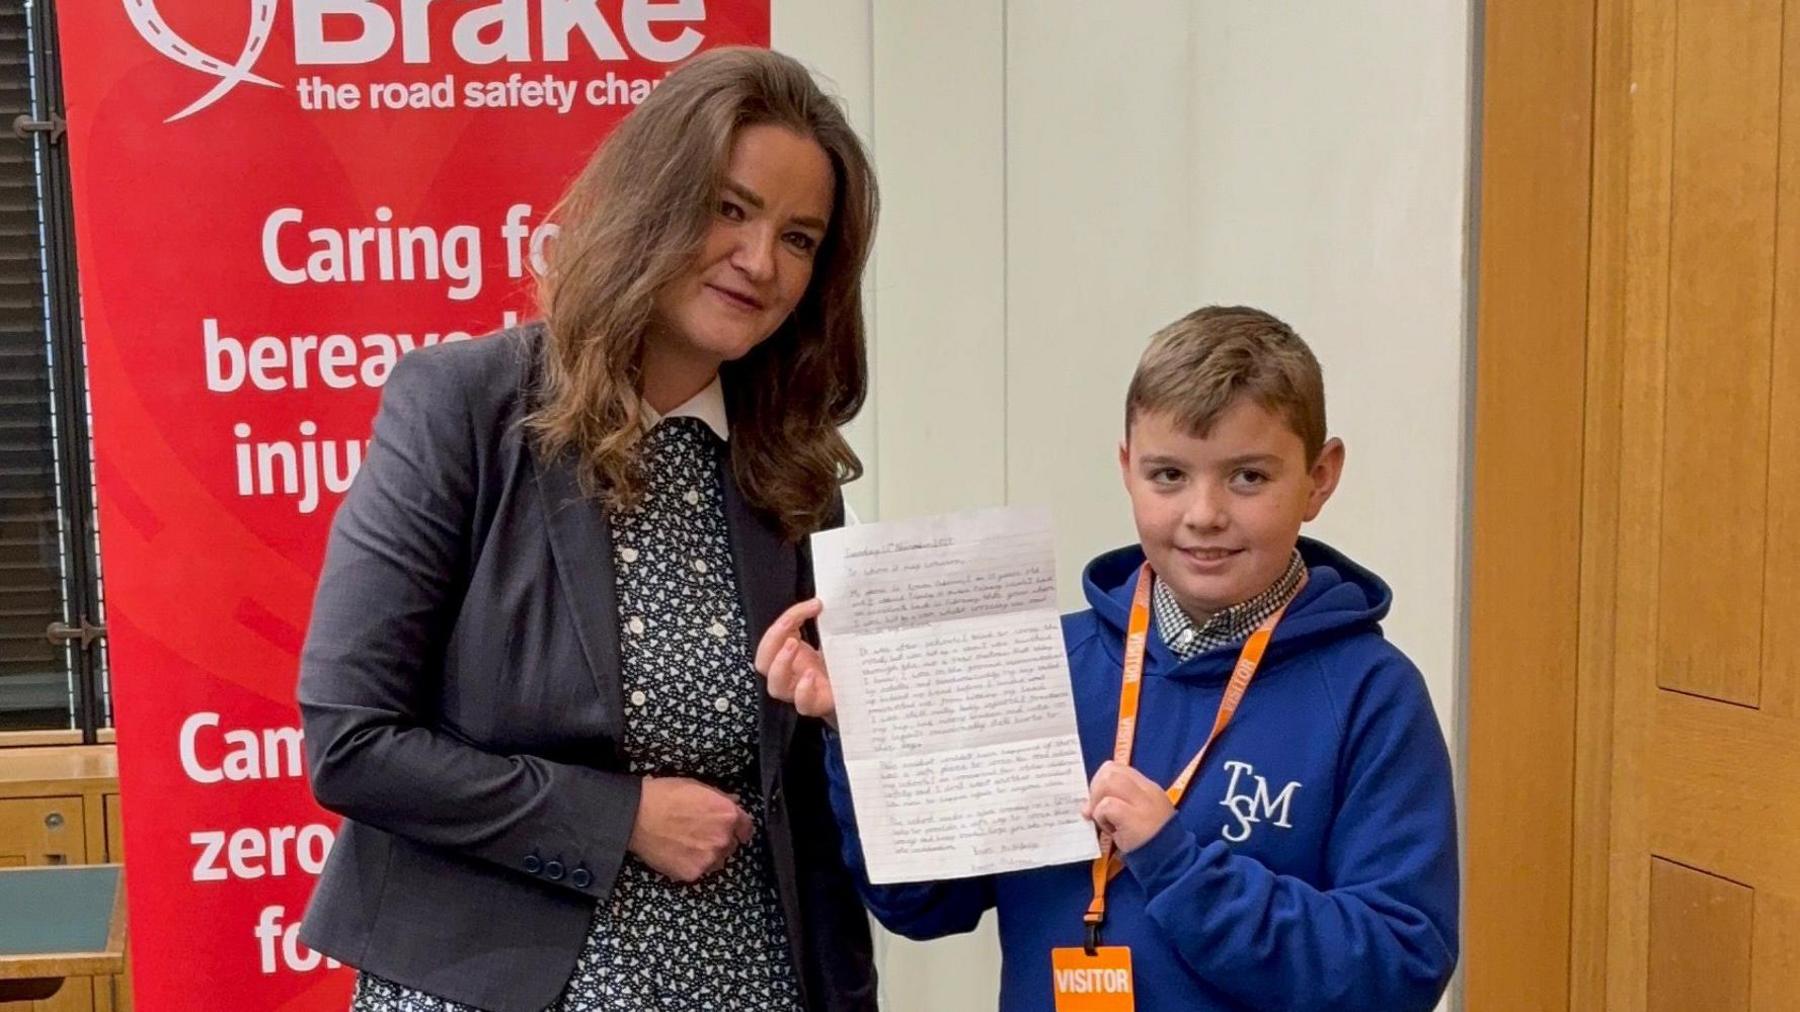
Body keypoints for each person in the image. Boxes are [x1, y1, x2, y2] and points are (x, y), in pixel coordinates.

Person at [296, 46, 880, 1012]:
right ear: (653, 201)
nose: (760, 260)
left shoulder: (794, 470)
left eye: (800, 237)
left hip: (747, 981)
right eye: (730, 209)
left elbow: (807, 808)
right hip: (486, 980)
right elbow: (353, 743)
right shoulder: (466, 407)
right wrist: (619, 819)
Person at [758, 306, 1459, 1010]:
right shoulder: (1045, 663)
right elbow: (924, 905)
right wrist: (866, 734)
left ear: (1319, 476)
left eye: (1248, 477)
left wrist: (1181, 867)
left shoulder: (1372, 695)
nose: (1204, 513)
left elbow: (1400, 967)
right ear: (1126, 466)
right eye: (1168, 475)